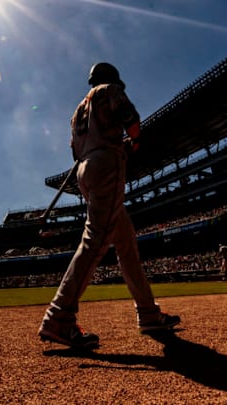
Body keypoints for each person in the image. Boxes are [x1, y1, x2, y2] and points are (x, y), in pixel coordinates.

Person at [38, 62, 180, 349]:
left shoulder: (78, 109)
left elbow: (75, 152)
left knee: (126, 244)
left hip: (85, 169)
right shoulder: (110, 90)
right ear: (110, 78)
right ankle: (58, 318)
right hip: (107, 164)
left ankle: (148, 313)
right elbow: (130, 117)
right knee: (95, 240)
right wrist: (135, 140)